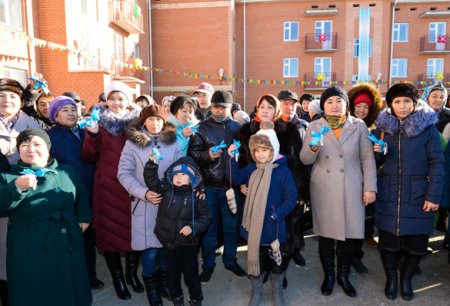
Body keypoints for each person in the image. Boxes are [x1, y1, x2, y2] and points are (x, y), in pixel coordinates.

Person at [0, 129, 92, 306]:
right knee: (36, 289)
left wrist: (84, 216)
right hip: (30, 245)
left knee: (71, 284)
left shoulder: (67, 171)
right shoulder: (8, 176)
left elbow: (81, 193)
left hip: (68, 238)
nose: (30, 149)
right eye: (24, 145)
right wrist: (17, 187)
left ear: (48, 149)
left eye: (37, 144)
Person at [300, 87, 377, 298]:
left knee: (349, 235)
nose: (335, 105)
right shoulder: (315, 125)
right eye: (329, 102)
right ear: (323, 106)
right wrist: (314, 145)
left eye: (338, 101)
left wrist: (370, 187)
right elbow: (305, 159)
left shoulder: (359, 126)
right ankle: (330, 276)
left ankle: (343, 275)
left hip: (352, 185)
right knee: (326, 235)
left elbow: (367, 158)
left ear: (346, 104)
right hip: (324, 186)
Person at [373, 83, 444, 301]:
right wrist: (379, 153)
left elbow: (437, 163)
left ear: (414, 104)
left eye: (406, 101)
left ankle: (406, 278)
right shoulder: (382, 129)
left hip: (419, 195)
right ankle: (392, 278)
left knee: (417, 245)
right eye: (397, 102)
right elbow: (373, 162)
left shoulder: (428, 128)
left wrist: (433, 195)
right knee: (388, 244)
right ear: (391, 105)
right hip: (388, 193)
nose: (402, 106)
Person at [239, 94, 309, 287]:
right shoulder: (246, 131)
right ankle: (262, 271)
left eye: (270, 107)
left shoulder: (288, 129)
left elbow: (297, 163)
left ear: (276, 111)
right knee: (260, 235)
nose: (265, 110)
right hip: (256, 193)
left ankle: (279, 271)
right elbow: (243, 161)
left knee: (283, 237)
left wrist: (301, 192)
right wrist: (242, 184)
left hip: (282, 193)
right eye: (262, 106)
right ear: (256, 109)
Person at [81, 80, 142, 300]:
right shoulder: (97, 123)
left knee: (135, 232)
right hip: (107, 186)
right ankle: (118, 279)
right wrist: (93, 134)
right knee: (109, 234)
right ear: (106, 100)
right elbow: (88, 156)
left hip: (133, 186)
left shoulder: (138, 124)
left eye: (121, 98)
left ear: (129, 101)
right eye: (112, 98)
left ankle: (132, 274)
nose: (116, 102)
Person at [118, 104, 182, 305]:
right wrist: (144, 193)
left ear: (164, 122)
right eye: (151, 119)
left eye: (159, 120)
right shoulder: (132, 144)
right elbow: (124, 173)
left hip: (168, 205)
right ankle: (151, 289)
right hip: (144, 205)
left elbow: (181, 168)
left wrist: (175, 189)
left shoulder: (173, 142)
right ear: (143, 121)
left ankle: (163, 284)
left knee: (165, 247)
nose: (155, 123)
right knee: (150, 250)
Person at [227, 121, 297, 306]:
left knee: (276, 263)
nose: (260, 154)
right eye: (256, 150)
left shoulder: (282, 172)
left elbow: (291, 198)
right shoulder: (251, 169)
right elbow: (233, 177)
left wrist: (277, 215)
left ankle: (277, 292)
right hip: (253, 228)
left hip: (273, 225)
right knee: (256, 260)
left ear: (272, 151)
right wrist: (232, 158)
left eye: (264, 150)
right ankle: (256, 292)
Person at [188, 90, 246, 283]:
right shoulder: (201, 128)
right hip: (209, 188)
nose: (219, 111)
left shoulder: (238, 128)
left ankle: (230, 260)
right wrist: (209, 156)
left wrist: (243, 181)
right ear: (211, 107)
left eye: (224, 107)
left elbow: (246, 157)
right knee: (209, 230)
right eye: (216, 107)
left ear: (231, 108)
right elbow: (193, 155)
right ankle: (208, 265)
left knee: (231, 228)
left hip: (232, 187)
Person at [47, 96, 104, 289]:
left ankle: (90, 275)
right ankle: (70, 277)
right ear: (55, 115)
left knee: (89, 237)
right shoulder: (49, 137)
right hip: (66, 193)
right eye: (65, 110)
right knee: (69, 237)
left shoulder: (85, 130)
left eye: (73, 109)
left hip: (90, 190)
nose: (71, 113)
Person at [144, 156, 210, 306]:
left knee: (191, 275)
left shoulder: (197, 197)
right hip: (169, 245)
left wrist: (193, 227)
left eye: (183, 174)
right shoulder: (166, 191)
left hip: (188, 246)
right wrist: (151, 165)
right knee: (172, 276)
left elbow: (206, 218)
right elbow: (152, 181)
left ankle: (195, 299)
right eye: (176, 174)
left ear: (192, 178)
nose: (178, 177)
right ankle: (177, 299)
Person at [0, 78, 42, 306]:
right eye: (2, 96)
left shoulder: (34, 125)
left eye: (13, 96)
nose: (7, 101)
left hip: (27, 201)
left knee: (25, 260)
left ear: (22, 101)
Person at [347, 83, 383, 274]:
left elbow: (376, 161)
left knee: (361, 222)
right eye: (358, 105)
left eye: (365, 106)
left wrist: (382, 151)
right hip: (347, 182)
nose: (361, 110)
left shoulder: (376, 131)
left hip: (365, 183)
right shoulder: (343, 126)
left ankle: (356, 257)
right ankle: (344, 256)